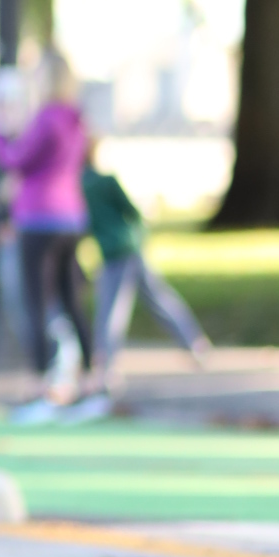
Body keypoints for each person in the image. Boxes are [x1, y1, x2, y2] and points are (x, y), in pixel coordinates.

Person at [0, 51, 93, 418]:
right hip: (71, 217)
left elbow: (15, 159)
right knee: (69, 299)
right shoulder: (76, 119)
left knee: (35, 301)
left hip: (38, 218)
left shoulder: (47, 118)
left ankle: (39, 387)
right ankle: (89, 384)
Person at [82, 145, 210, 404]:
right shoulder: (105, 182)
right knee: (158, 299)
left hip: (115, 253)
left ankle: (105, 368)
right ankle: (194, 342)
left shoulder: (81, 186)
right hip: (130, 248)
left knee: (111, 310)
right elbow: (132, 212)